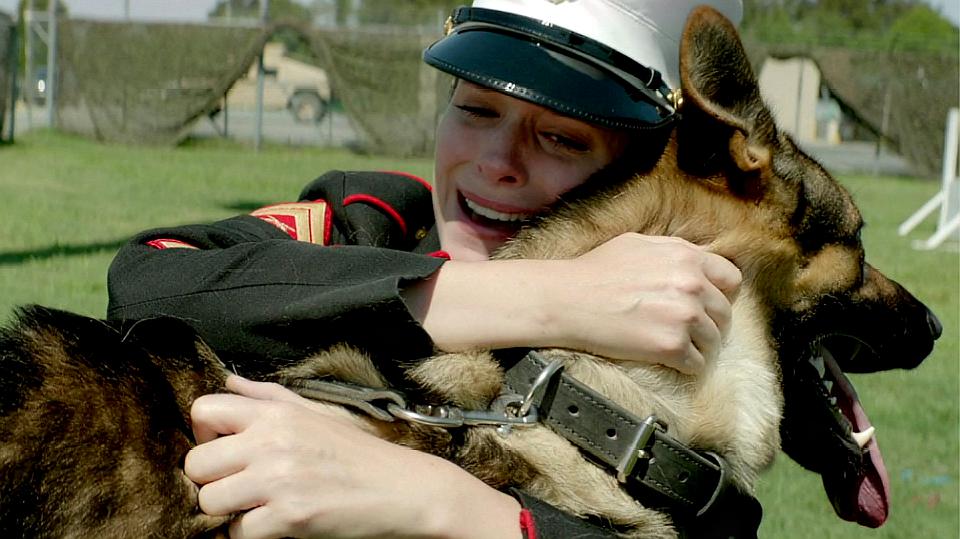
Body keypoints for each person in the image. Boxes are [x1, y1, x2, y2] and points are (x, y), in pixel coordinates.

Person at [107, 0, 744, 537]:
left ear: (642, 178)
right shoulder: (372, 220)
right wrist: (553, 297)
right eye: (476, 110)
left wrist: (455, 508)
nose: (499, 161)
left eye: (563, 139)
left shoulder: (669, 330)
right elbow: (146, 283)